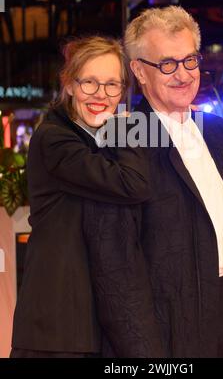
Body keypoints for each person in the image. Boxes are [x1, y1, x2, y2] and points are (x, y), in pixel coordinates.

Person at [84, 6, 223, 357]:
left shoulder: (217, 131)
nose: (183, 75)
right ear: (139, 70)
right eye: (167, 64)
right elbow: (114, 265)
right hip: (164, 325)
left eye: (190, 61)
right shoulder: (123, 136)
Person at [10, 36, 150, 358]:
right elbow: (134, 184)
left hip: (100, 322)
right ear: (70, 85)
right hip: (57, 328)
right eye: (89, 82)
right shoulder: (54, 139)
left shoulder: (96, 136)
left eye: (112, 84)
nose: (101, 94)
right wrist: (126, 129)